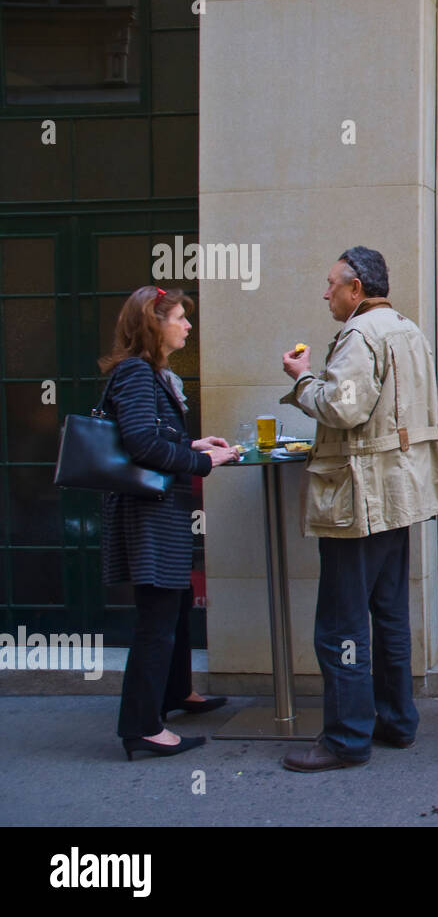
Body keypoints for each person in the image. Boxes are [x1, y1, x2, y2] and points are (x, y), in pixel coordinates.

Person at [279, 246, 438, 772]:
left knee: (340, 625)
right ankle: (397, 722)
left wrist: (302, 380)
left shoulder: (361, 334)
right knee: (388, 614)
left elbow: (344, 407)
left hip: (360, 499)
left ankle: (345, 739)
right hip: (399, 496)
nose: (325, 293)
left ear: (356, 288)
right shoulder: (409, 329)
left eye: (332, 284)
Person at [101, 286, 239, 761]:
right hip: (149, 514)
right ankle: (141, 728)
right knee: (156, 621)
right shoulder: (137, 374)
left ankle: (177, 692)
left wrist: (194, 445)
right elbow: (141, 445)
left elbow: (152, 438)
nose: (187, 325)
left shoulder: (149, 374)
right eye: (179, 318)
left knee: (175, 606)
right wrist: (204, 463)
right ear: (154, 324)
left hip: (161, 510)